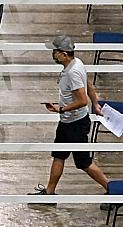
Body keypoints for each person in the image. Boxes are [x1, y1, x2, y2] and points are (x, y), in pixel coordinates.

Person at [34, 33, 111, 198]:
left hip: (76, 124)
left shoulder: (72, 72)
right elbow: (88, 84)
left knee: (84, 163)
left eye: (55, 51)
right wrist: (96, 103)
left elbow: (82, 100)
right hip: (67, 122)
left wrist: (61, 109)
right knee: (59, 155)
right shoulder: (77, 64)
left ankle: (112, 190)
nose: (53, 54)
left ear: (64, 54)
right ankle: (49, 192)